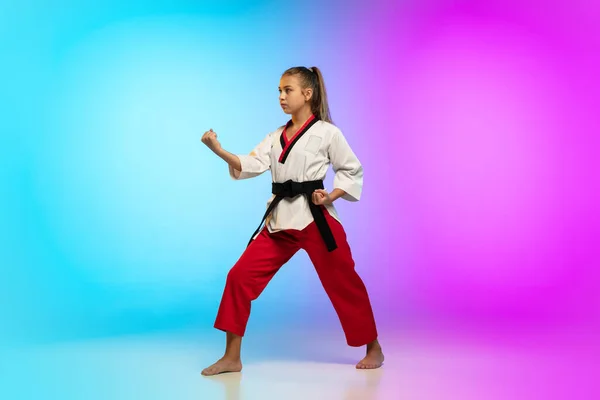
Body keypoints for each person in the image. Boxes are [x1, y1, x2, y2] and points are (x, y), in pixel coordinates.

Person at [200, 66, 384, 376]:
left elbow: (352, 170)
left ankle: (373, 347)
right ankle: (232, 356)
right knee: (239, 277)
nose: (281, 97)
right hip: (280, 221)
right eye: (279, 91)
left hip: (316, 221)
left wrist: (331, 195)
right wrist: (218, 150)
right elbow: (249, 164)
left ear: (307, 94)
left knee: (344, 282)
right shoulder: (275, 136)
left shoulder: (328, 133)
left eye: (288, 90)